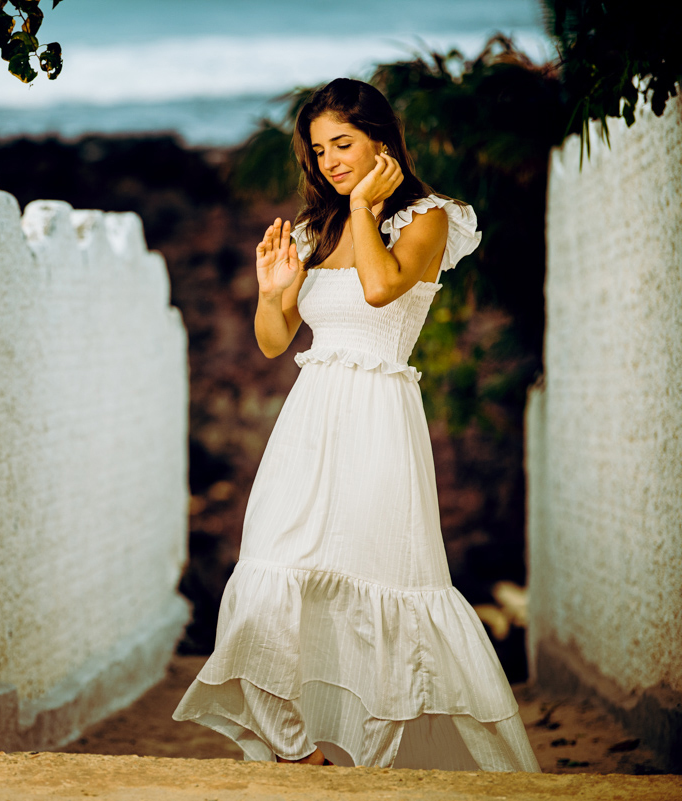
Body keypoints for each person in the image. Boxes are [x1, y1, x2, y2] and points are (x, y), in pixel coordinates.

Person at [171, 78, 541, 772]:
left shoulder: (430, 218)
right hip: (310, 420)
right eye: (319, 150)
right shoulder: (316, 229)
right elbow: (274, 342)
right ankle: (299, 751)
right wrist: (273, 292)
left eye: (343, 143)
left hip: (378, 419)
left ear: (381, 140)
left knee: (378, 581)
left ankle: (376, 763)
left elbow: (380, 288)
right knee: (272, 570)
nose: (331, 161)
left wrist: (366, 209)